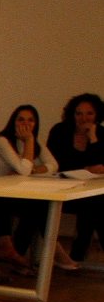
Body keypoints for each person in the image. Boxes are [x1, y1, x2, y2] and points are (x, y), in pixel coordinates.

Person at [0, 104, 73, 273]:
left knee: (40, 205)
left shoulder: (35, 142)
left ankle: (20, 252)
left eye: (30, 120)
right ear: (13, 121)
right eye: (21, 119)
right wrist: (29, 142)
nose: (26, 124)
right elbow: (23, 170)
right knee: (36, 206)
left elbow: (53, 165)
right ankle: (43, 250)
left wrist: (35, 169)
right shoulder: (2, 141)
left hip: (9, 193)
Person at [46, 92, 104, 263]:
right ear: (72, 114)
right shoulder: (60, 131)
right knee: (95, 206)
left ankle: (77, 255)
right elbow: (55, 163)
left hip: (90, 191)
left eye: (89, 113)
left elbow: (100, 164)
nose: (84, 118)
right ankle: (77, 255)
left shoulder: (101, 133)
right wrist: (85, 168)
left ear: (97, 115)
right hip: (62, 187)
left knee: (94, 204)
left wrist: (93, 139)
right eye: (79, 113)